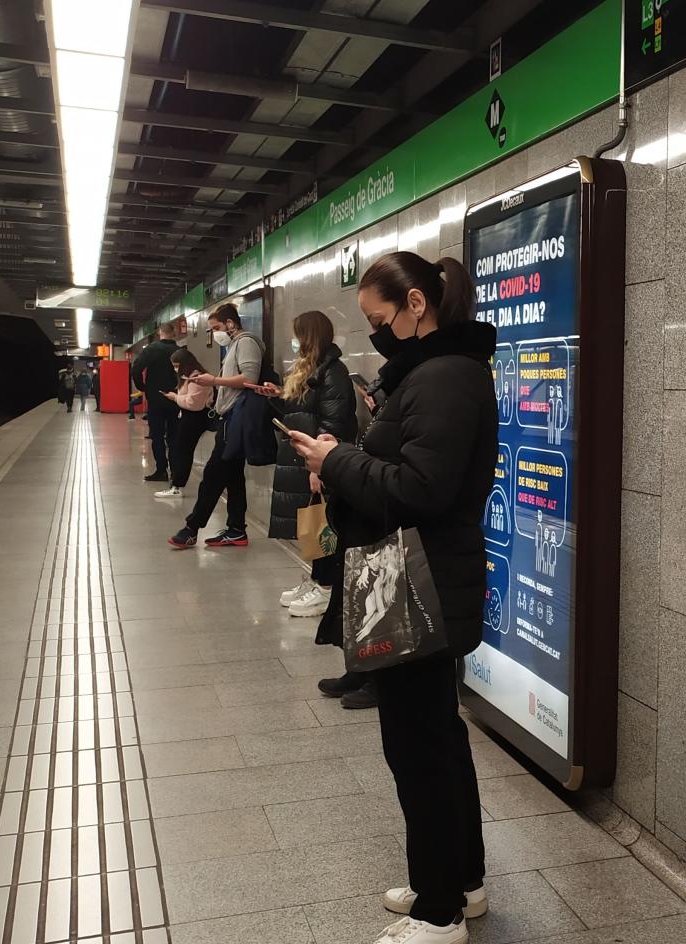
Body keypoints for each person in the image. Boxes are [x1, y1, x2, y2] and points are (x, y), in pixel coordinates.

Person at [288, 252, 495, 944]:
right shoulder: (433, 372)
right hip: (422, 582)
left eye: (378, 319)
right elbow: (404, 466)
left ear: (414, 304)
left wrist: (335, 460)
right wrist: (340, 462)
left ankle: (439, 913)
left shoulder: (441, 377)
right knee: (435, 737)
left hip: (421, 587)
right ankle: (458, 882)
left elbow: (421, 488)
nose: (374, 333)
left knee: (420, 748)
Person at [250, 311, 358, 628]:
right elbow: (300, 410)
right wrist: (276, 397)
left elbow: (333, 422)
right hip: (301, 456)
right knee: (313, 521)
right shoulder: (310, 371)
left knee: (323, 522)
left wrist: (321, 468)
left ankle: (325, 587)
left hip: (318, 458)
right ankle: (317, 579)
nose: (294, 340)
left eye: (298, 334)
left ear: (310, 336)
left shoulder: (333, 373)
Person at [167, 303, 263, 549]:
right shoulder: (234, 346)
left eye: (217, 327)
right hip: (229, 419)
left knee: (212, 474)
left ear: (231, 323)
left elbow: (249, 379)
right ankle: (236, 529)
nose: (215, 333)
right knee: (233, 477)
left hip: (236, 421)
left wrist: (214, 380)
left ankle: (192, 528)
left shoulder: (246, 343)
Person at [156, 347, 212, 499]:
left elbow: (193, 403)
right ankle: (176, 484)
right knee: (181, 450)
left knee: (183, 452)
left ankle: (177, 486)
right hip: (188, 417)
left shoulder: (197, 378)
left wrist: (175, 398)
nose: (175, 368)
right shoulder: (189, 377)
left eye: (176, 365)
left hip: (194, 418)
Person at [132, 322, 181, 485]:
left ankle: (161, 471)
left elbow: (136, 368)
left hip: (156, 399)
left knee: (157, 436)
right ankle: (175, 471)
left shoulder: (152, 349)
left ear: (160, 333)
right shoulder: (180, 351)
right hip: (175, 399)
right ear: (174, 333)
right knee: (174, 436)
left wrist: (143, 387)